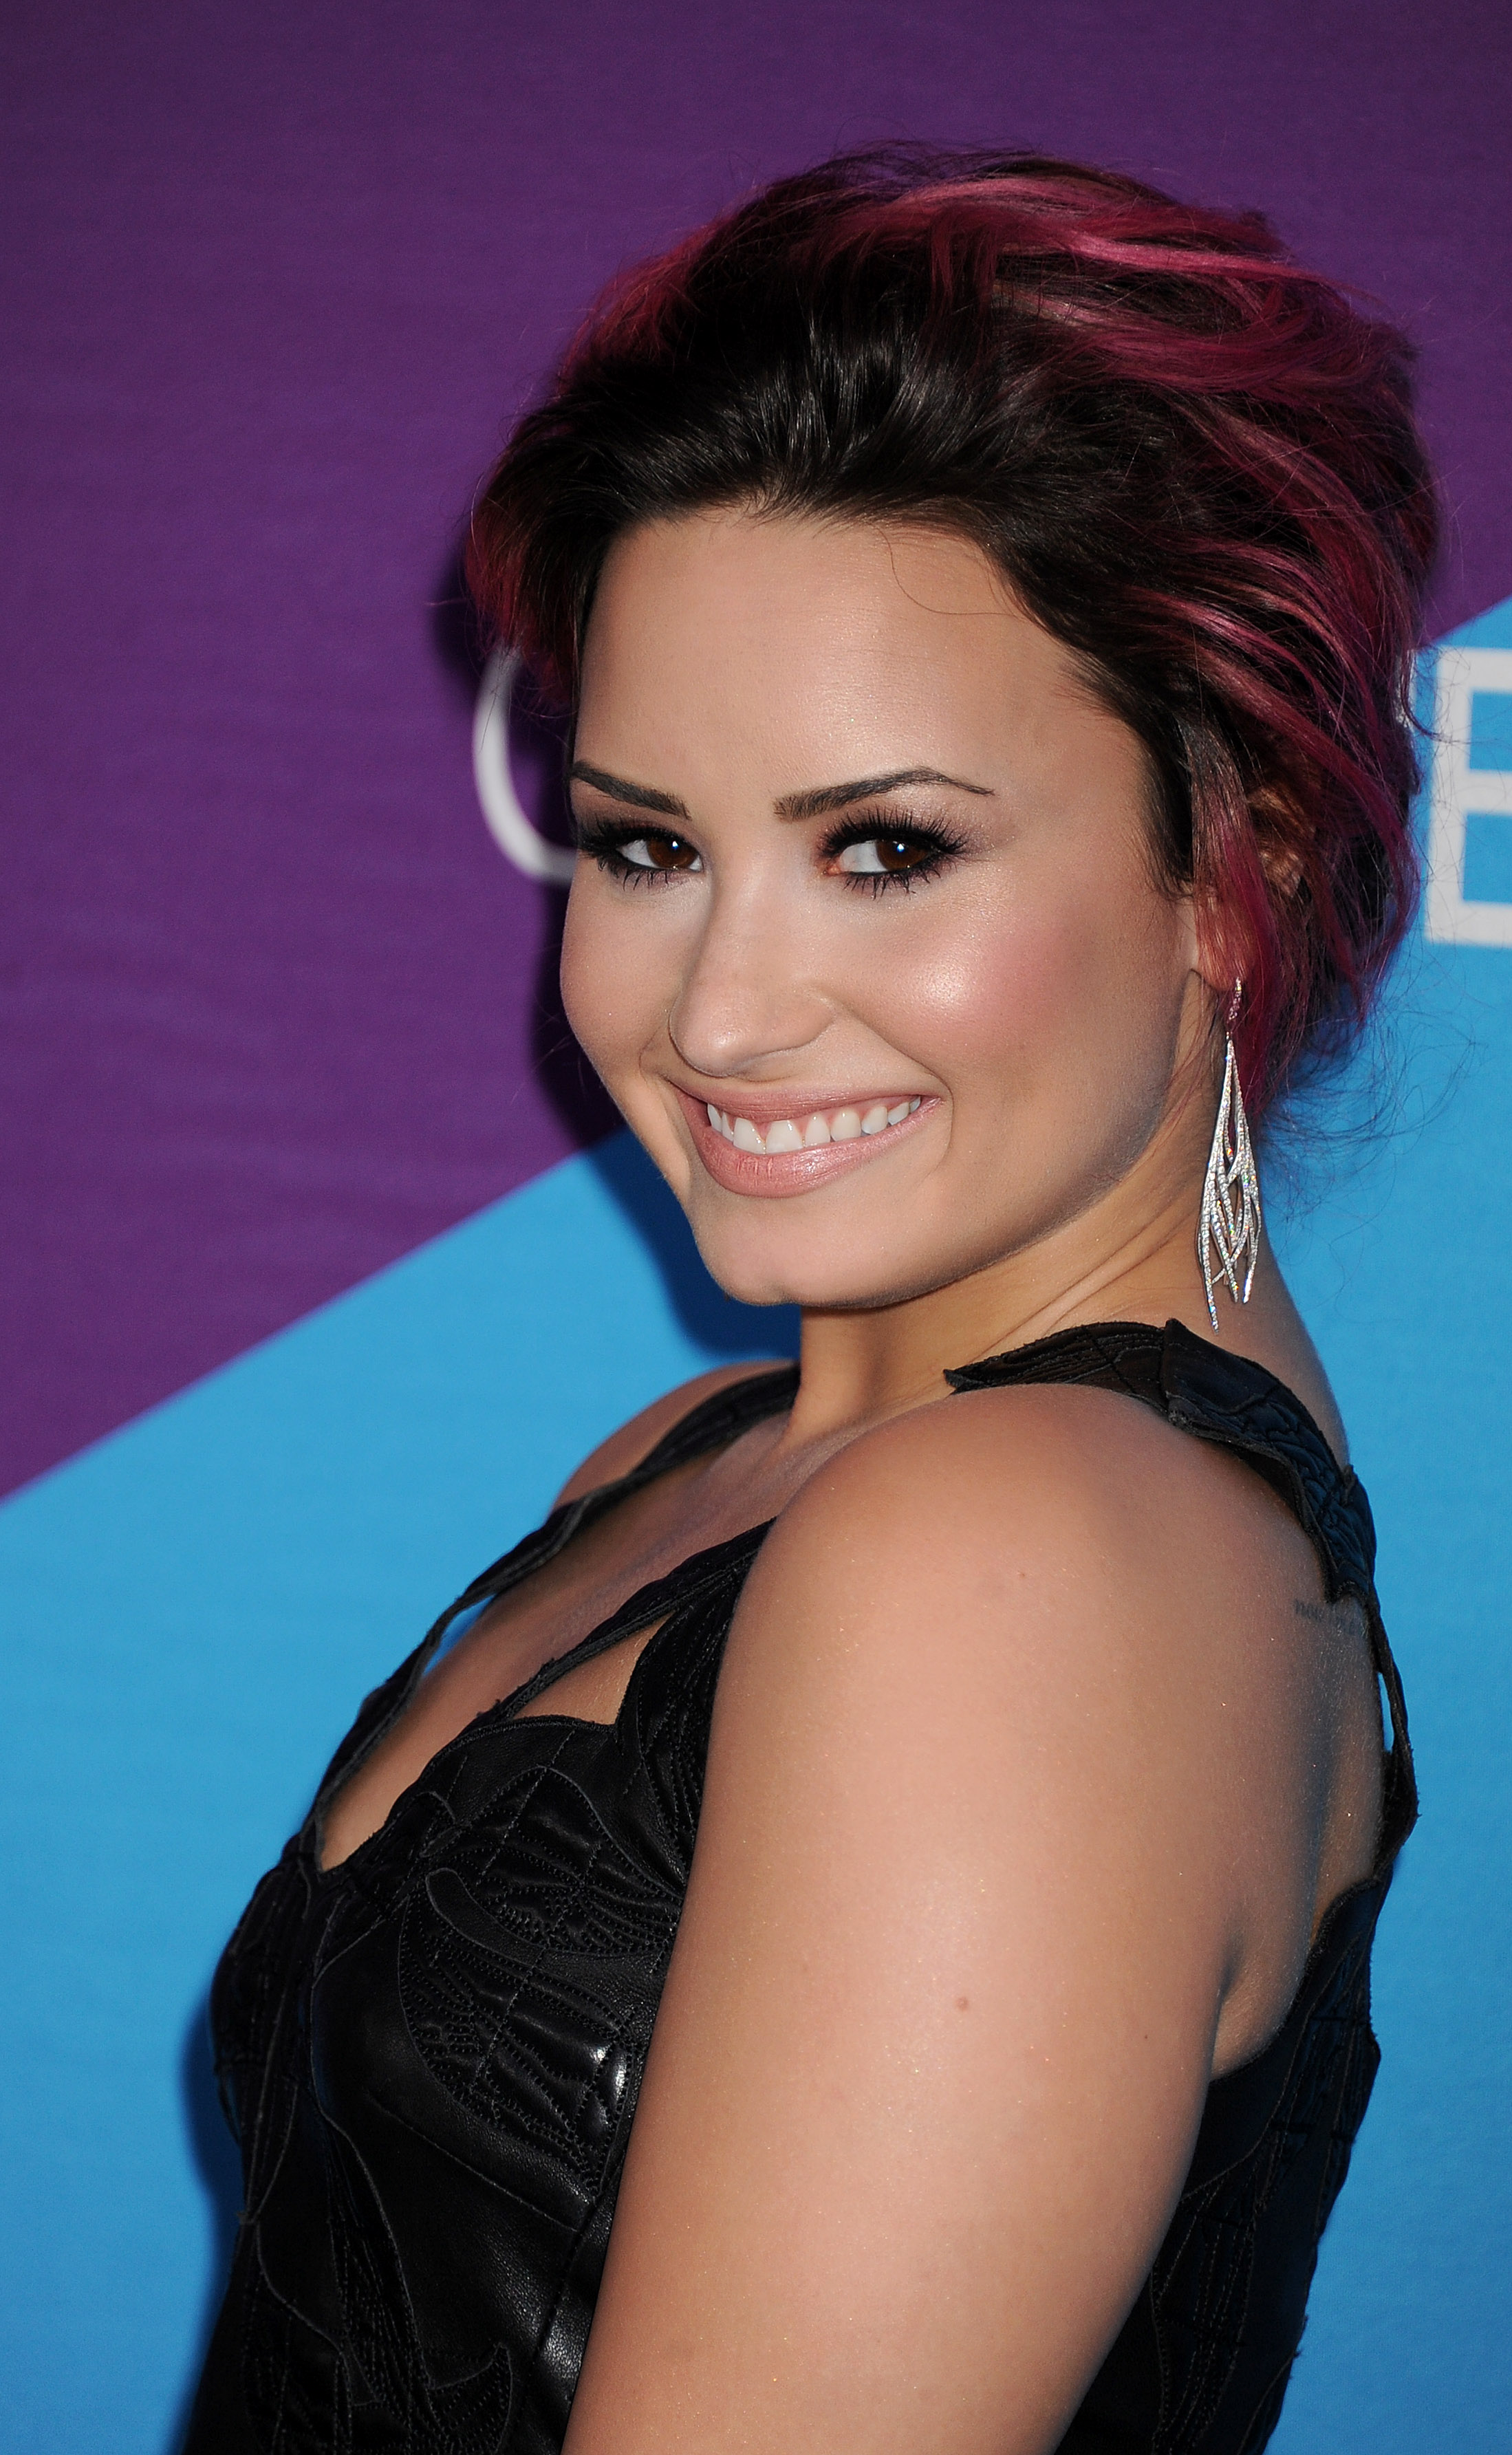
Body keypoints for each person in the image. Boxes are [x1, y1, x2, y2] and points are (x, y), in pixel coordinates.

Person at [184, 149, 1430, 2455]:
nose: (724, 1010)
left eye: (886, 848)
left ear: (1234, 855)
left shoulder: (1015, 1554)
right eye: (648, 844)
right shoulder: (705, 1464)